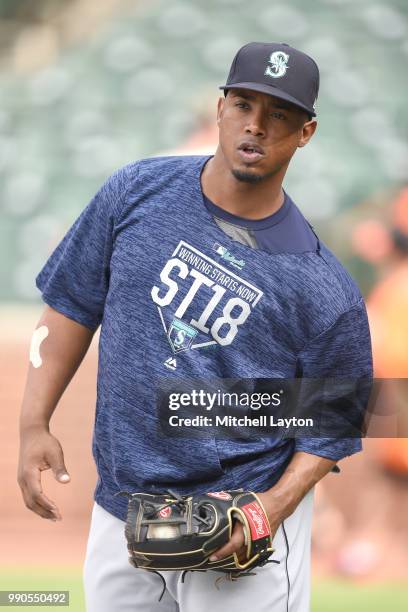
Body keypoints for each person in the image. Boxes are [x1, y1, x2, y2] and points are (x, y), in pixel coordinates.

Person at [17, 42, 373, 612]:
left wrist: (267, 512)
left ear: (306, 132)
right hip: (122, 514)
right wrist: (34, 423)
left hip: (241, 538)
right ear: (220, 107)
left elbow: (332, 427)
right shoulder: (134, 192)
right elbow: (70, 305)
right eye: (243, 104)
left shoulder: (323, 287)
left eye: (278, 114)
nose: (255, 125)